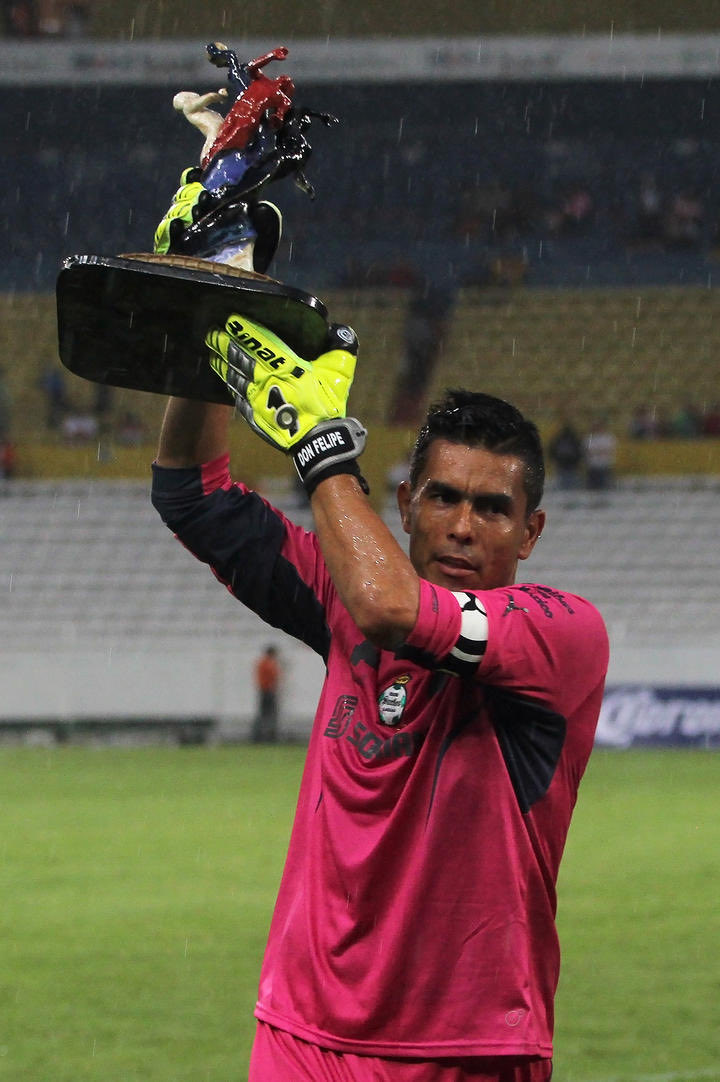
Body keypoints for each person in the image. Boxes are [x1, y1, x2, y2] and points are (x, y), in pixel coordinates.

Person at [151, 314, 609, 1082]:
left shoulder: (561, 636)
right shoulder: (343, 594)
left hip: (466, 1051)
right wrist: (208, 310)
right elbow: (192, 495)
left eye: (492, 509)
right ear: (405, 506)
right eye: (443, 498)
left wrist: (322, 445)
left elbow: (390, 608)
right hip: (302, 1036)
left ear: (530, 533)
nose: (463, 526)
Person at [253, 645, 281, 742]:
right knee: (269, 715)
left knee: (264, 715)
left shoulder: (262, 663)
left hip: (264, 691)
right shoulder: (268, 664)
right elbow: (274, 676)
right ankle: (267, 736)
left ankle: (261, 736)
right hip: (268, 691)